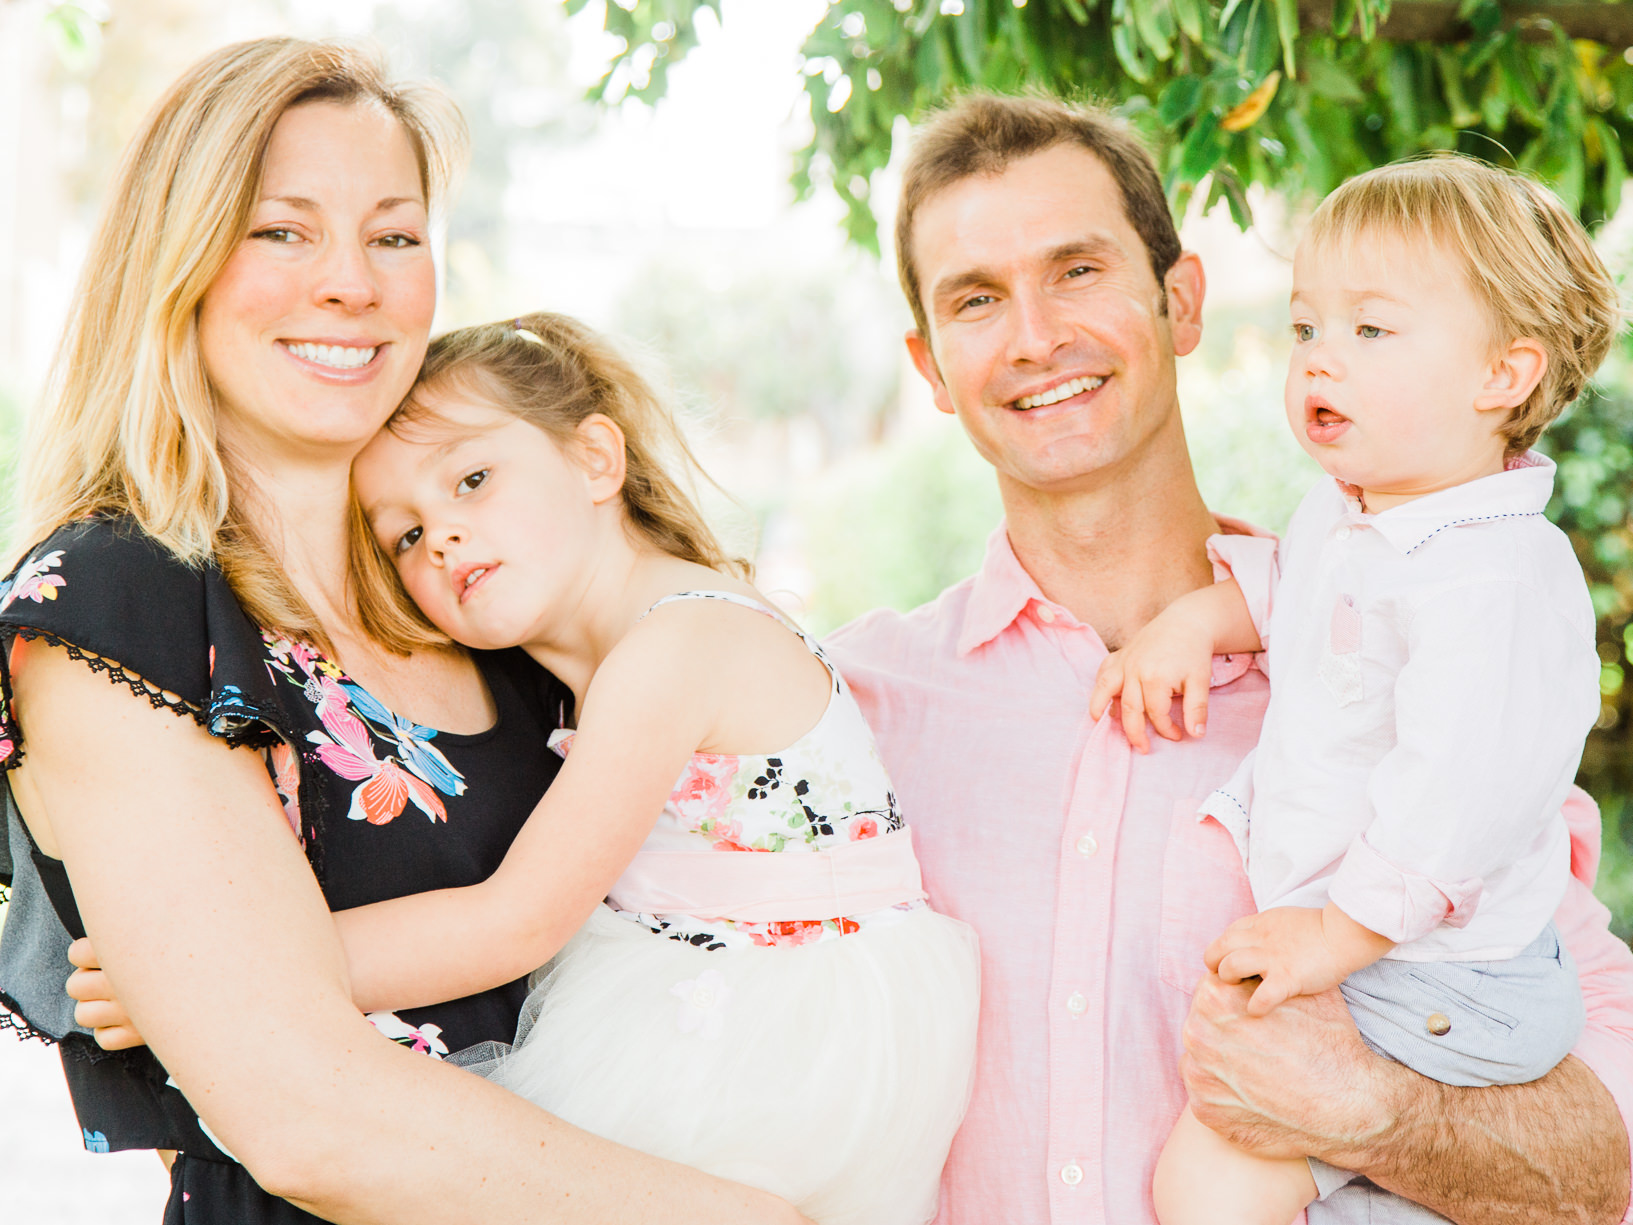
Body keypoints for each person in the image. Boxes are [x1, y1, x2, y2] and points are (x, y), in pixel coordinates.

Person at [0, 38, 805, 1225]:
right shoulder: (123, 605)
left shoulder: (486, 606)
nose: (351, 283)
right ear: (177, 264)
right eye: (282, 231)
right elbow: (305, 1112)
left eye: (393, 235)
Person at [822, 92, 1633, 1224]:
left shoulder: (1392, 661)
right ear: (928, 363)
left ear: (1180, 298)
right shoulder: (840, 712)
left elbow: (1605, 1162)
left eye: (1078, 271)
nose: (1034, 335)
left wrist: (1369, 1112)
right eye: (975, 299)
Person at [330, 310, 979, 1225]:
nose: (439, 537)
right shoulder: (593, 668)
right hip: (716, 992)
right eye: (403, 534)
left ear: (597, 459)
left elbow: (515, 922)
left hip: (776, 1044)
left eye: (471, 480)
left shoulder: (677, 642)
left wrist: (241, 967)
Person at [1088, 156, 1611, 1225]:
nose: (1321, 360)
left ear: (1502, 376)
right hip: (1386, 961)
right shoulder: (1355, 513)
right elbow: (1303, 595)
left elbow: (1453, 796)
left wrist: (1331, 938)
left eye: (1371, 331)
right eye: (1305, 328)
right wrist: (1199, 618)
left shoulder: (1494, 576)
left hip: (1439, 975)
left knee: (1209, 1188)